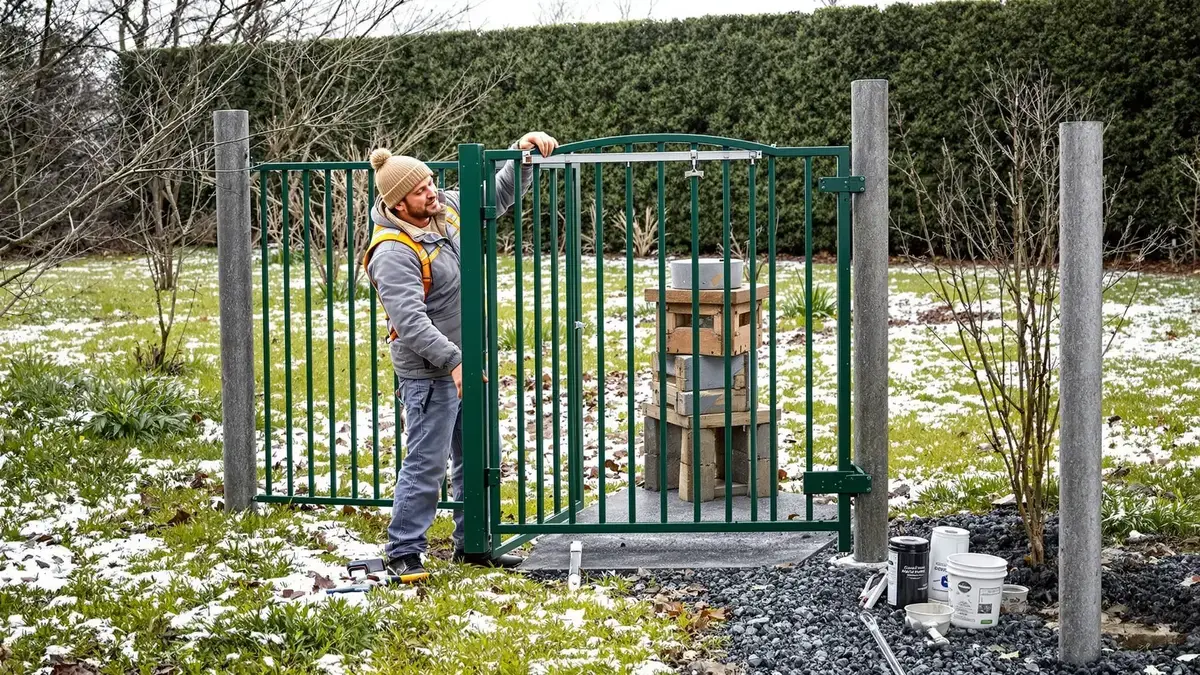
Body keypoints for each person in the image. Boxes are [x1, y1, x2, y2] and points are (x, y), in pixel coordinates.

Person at [363, 132, 559, 579]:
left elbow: (496, 195)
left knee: (478, 453)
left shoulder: (445, 209)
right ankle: (404, 550)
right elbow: (410, 322)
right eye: (420, 191)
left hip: (468, 362)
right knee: (427, 462)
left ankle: (473, 545)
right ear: (398, 205)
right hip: (430, 370)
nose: (431, 192)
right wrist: (453, 361)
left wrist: (522, 156)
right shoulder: (392, 251)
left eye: (430, 182)